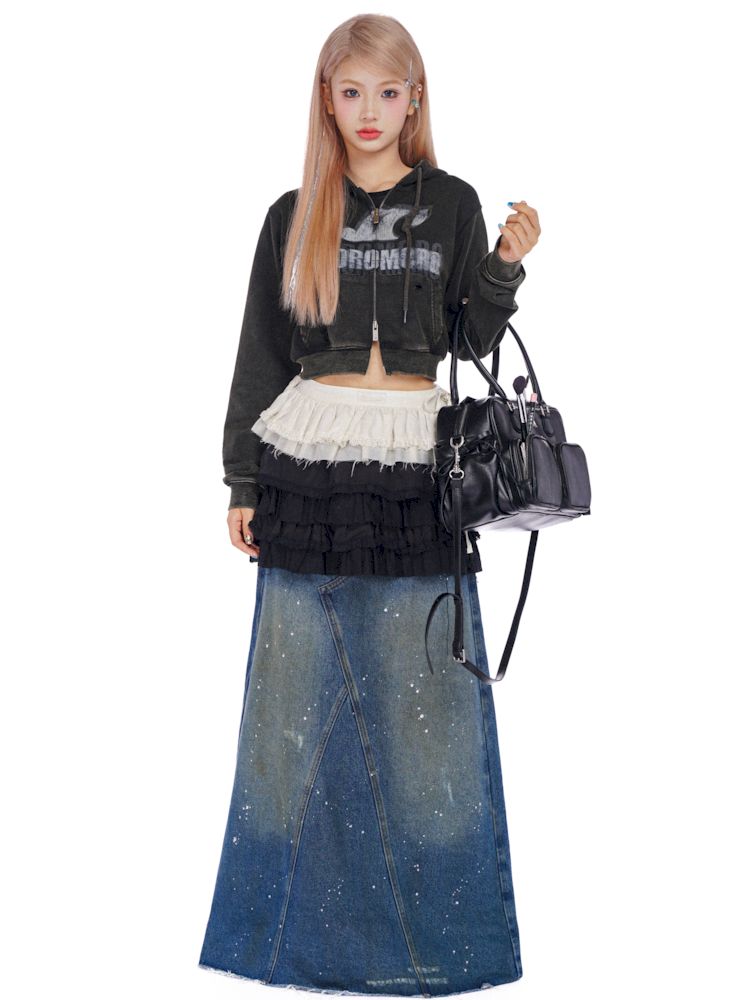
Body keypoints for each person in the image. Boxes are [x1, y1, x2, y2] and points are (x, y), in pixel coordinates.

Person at [198, 13, 541, 996]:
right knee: (290, 712)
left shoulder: (453, 203)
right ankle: (291, 948)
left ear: (414, 99)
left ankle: (435, 951)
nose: (370, 112)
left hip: (415, 464)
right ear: (327, 98)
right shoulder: (293, 213)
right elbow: (261, 351)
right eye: (351, 92)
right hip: (308, 464)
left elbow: (470, 341)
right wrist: (242, 480)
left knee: (428, 711)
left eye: (388, 93)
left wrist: (503, 265)